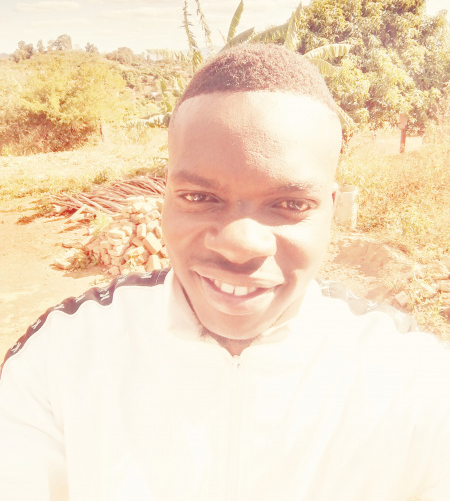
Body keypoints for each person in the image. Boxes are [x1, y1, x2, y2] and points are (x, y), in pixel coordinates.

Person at [0, 43, 449, 500]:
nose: (240, 245)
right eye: (200, 197)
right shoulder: (61, 357)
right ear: (165, 197)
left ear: (331, 210)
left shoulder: (413, 379)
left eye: (291, 204)